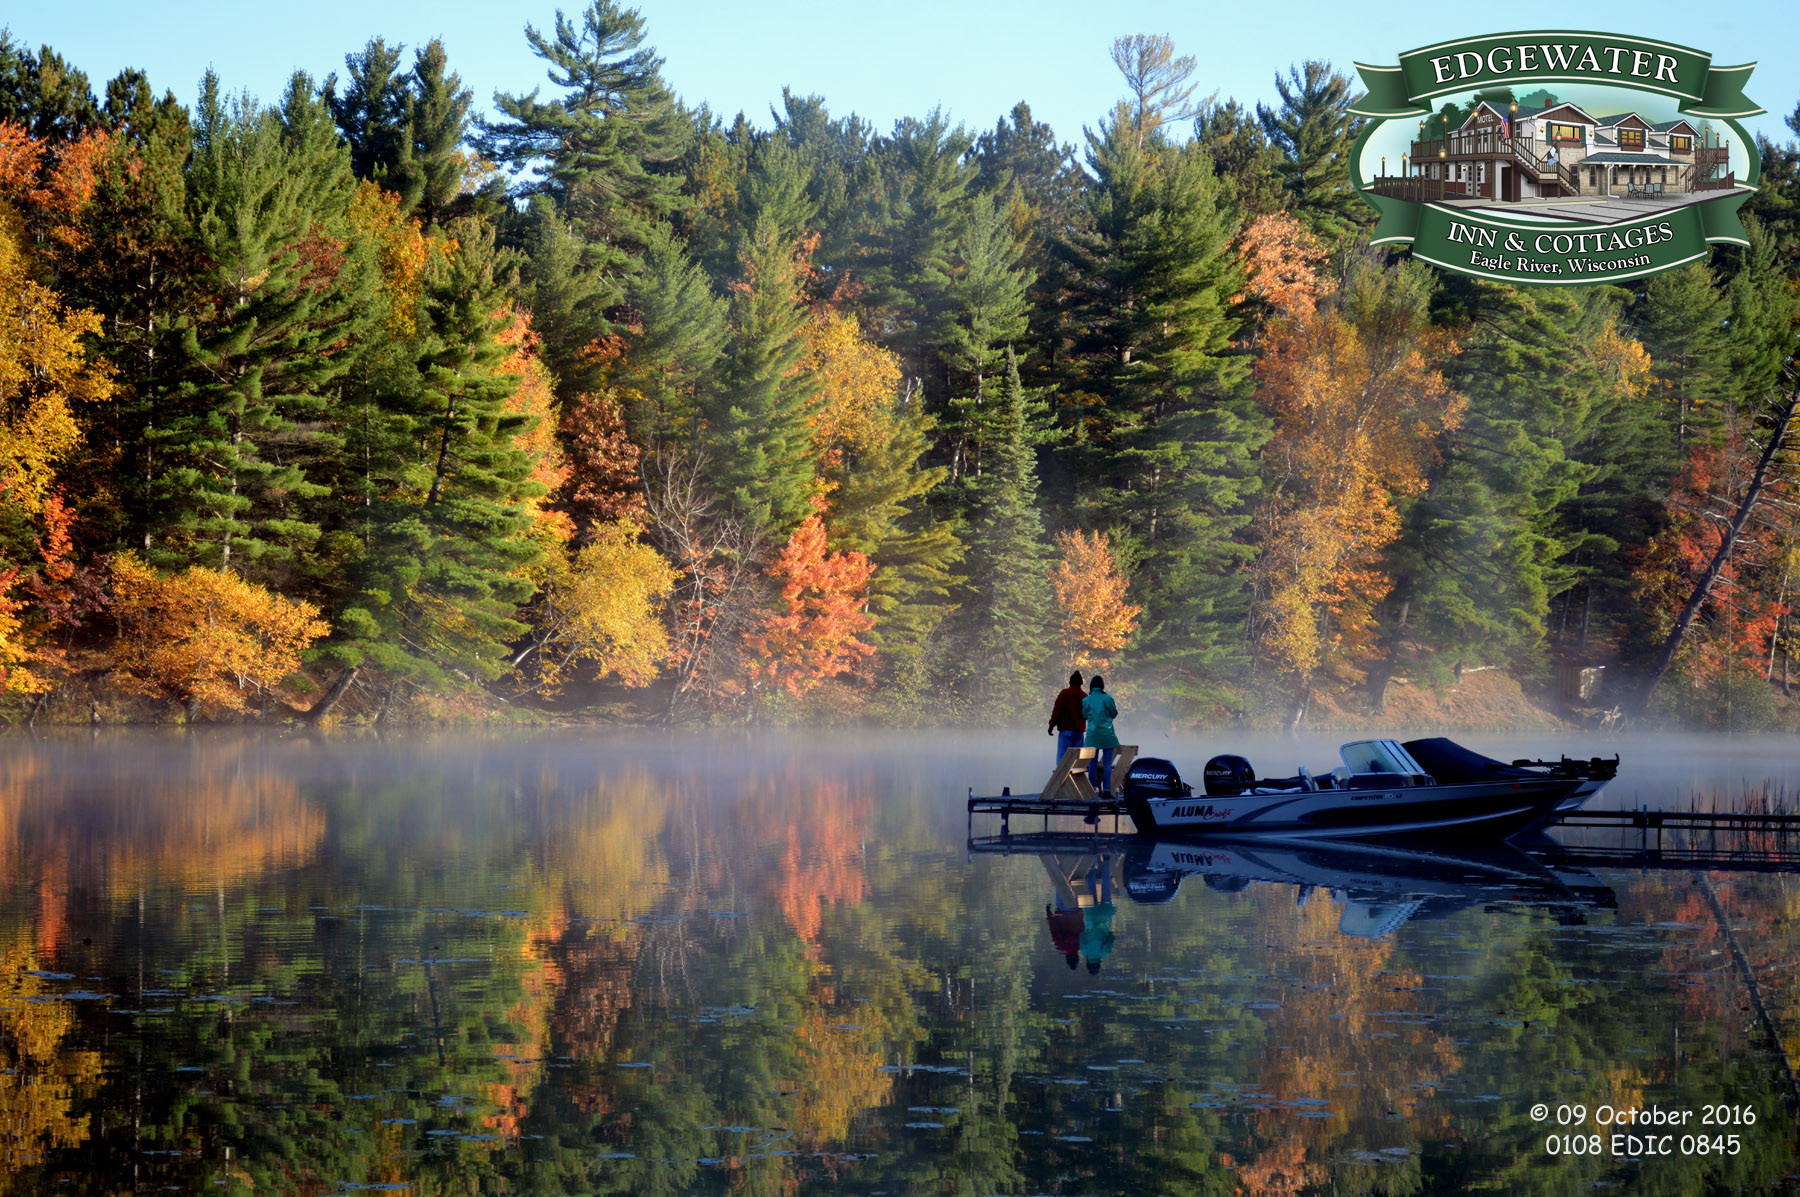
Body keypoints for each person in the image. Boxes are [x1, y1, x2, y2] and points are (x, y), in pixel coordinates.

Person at [1082, 676, 1120, 795]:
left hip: (1092, 735)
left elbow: (1084, 716)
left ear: (1091, 686)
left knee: (1092, 764)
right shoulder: (1108, 698)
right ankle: (1107, 789)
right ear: (1102, 685)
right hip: (1107, 735)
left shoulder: (1086, 700)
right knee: (1107, 764)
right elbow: (1114, 713)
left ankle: (1093, 789)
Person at [1047, 670, 1086, 772]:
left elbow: (1058, 710)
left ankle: (1061, 781)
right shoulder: (1084, 696)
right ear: (1081, 683)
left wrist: (1052, 725)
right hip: (1079, 731)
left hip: (1066, 731)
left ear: (1070, 682)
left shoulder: (1065, 693)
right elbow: (1087, 714)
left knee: (1063, 758)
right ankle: (1074, 783)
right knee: (1077, 759)